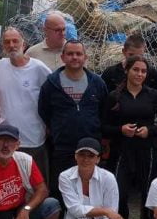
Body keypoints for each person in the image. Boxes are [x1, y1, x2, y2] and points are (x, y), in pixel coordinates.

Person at [101, 55, 157, 219]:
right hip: (122, 151)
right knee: (119, 192)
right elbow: (103, 126)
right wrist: (120, 130)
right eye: (136, 70)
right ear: (127, 71)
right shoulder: (115, 96)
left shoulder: (152, 95)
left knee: (148, 193)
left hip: (147, 150)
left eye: (143, 71)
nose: (140, 74)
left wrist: (150, 130)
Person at [37, 40, 109, 197]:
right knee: (60, 188)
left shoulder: (97, 83)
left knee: (89, 188)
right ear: (62, 57)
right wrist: (58, 128)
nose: (74, 57)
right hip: (62, 146)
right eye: (70, 54)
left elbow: (104, 110)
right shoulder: (51, 84)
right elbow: (44, 110)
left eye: (78, 54)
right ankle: (61, 213)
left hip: (90, 146)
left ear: (85, 57)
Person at [0, 26, 52, 177]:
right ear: (3, 45)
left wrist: (49, 125)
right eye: (7, 42)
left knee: (37, 181)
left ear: (23, 44)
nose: (11, 45)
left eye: (15, 41)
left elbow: (52, 96)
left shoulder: (38, 68)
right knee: (9, 181)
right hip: (7, 137)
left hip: (34, 137)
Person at [100, 32, 157, 96]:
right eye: (131, 55)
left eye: (139, 56)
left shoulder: (151, 73)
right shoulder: (110, 73)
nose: (135, 59)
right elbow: (101, 96)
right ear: (124, 51)